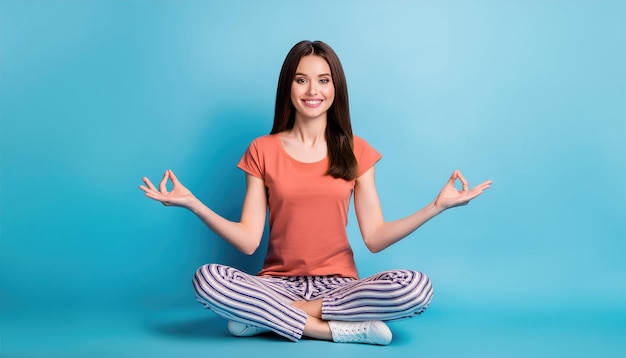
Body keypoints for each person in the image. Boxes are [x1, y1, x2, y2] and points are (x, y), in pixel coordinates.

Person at [139, 40, 492, 346]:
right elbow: (248, 241)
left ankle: (266, 319)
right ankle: (338, 331)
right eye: (301, 80)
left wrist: (436, 206)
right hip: (276, 285)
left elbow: (375, 237)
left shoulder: (356, 151)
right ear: (288, 87)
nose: (313, 91)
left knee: (415, 288)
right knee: (207, 280)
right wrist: (193, 204)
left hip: (339, 290)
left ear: (335, 87)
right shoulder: (262, 149)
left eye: (323, 80)